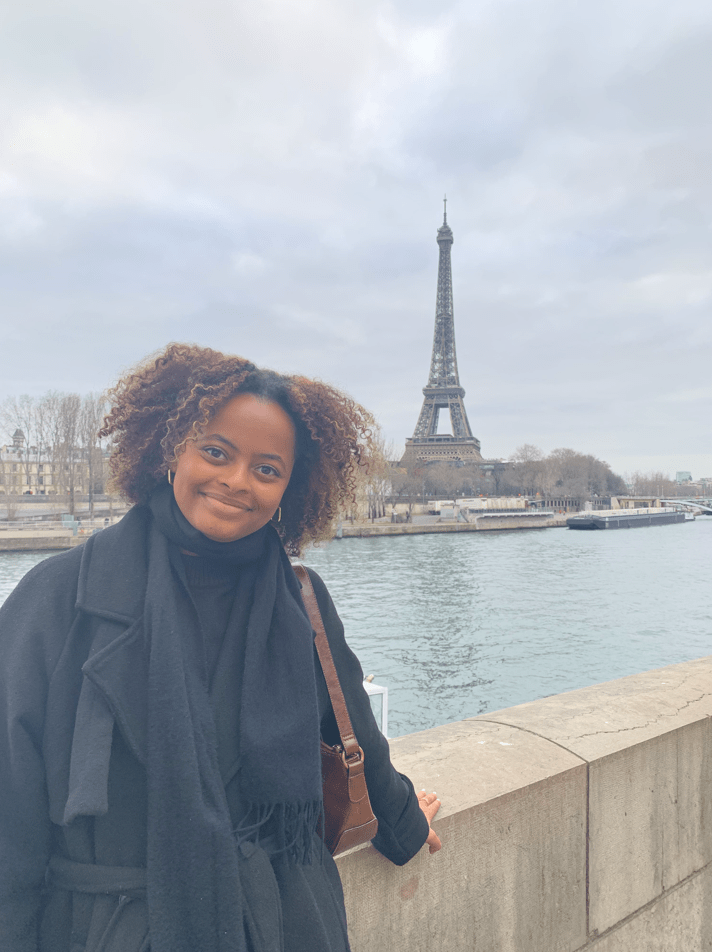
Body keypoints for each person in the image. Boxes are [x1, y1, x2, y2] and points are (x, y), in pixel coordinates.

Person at [0, 343, 440, 952]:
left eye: (267, 469)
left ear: (291, 486)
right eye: (216, 452)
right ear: (169, 449)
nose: (237, 481)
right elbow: (9, 799)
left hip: (284, 923)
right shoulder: (56, 598)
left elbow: (352, 728)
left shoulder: (302, 598)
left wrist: (404, 818)